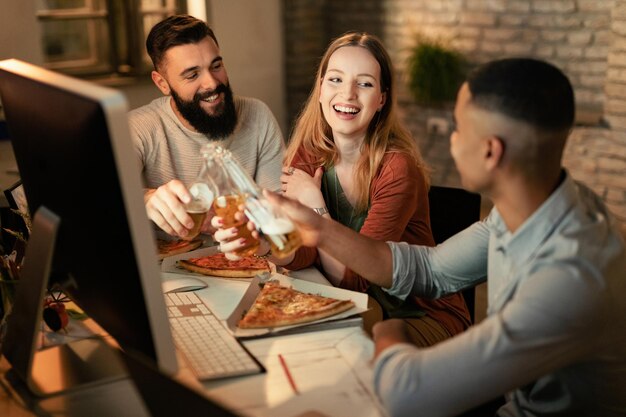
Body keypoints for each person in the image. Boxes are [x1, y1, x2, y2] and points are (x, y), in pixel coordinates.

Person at [258, 58, 626, 416]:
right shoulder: (542, 205)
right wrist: (318, 228)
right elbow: (429, 269)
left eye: (459, 128)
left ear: (489, 151)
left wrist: (389, 329)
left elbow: (408, 394)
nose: (451, 140)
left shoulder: (570, 281)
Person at [214, 31, 470, 345]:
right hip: (359, 306)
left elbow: (355, 279)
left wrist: (314, 203)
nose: (347, 94)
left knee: (311, 342)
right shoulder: (308, 152)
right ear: (320, 89)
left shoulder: (397, 167)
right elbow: (302, 251)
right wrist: (263, 246)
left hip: (419, 315)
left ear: (381, 99)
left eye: (364, 83)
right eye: (335, 80)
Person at [129, 15, 284, 239]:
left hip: (250, 260)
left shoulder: (258, 115)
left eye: (216, 66)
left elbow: (278, 217)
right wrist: (144, 199)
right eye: (192, 75)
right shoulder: (138, 127)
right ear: (162, 83)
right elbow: (97, 195)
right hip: (167, 270)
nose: (211, 83)